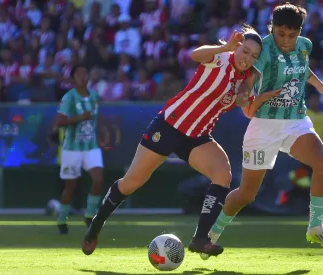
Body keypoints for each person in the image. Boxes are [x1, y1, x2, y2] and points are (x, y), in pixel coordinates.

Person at [81, 28, 264, 257]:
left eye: (253, 56)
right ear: (237, 46)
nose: (247, 58)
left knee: (223, 173)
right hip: (170, 125)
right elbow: (195, 55)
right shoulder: (221, 57)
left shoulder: (246, 78)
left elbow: (246, 106)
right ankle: (96, 225)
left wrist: (247, 98)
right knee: (133, 181)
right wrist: (225, 47)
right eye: (245, 51)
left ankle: (200, 239)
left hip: (197, 136)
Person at [205, 3, 323, 253]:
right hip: (263, 126)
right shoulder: (264, 49)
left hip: (296, 121)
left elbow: (303, 69)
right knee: (246, 194)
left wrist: (322, 86)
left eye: (292, 35)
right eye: (281, 33)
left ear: (300, 33)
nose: (286, 40)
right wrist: (244, 95)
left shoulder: (305, 46)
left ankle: (316, 227)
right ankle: (211, 233)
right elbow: (249, 81)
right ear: (272, 27)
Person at [56, 64, 104, 234]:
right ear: (73, 78)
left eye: (85, 72)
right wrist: (80, 117)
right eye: (79, 73)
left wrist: (101, 136)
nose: (83, 76)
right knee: (70, 186)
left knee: (98, 179)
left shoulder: (94, 96)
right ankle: (62, 219)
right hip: (72, 149)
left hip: (91, 146)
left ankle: (89, 215)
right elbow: (59, 122)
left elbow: (97, 119)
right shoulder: (69, 97)